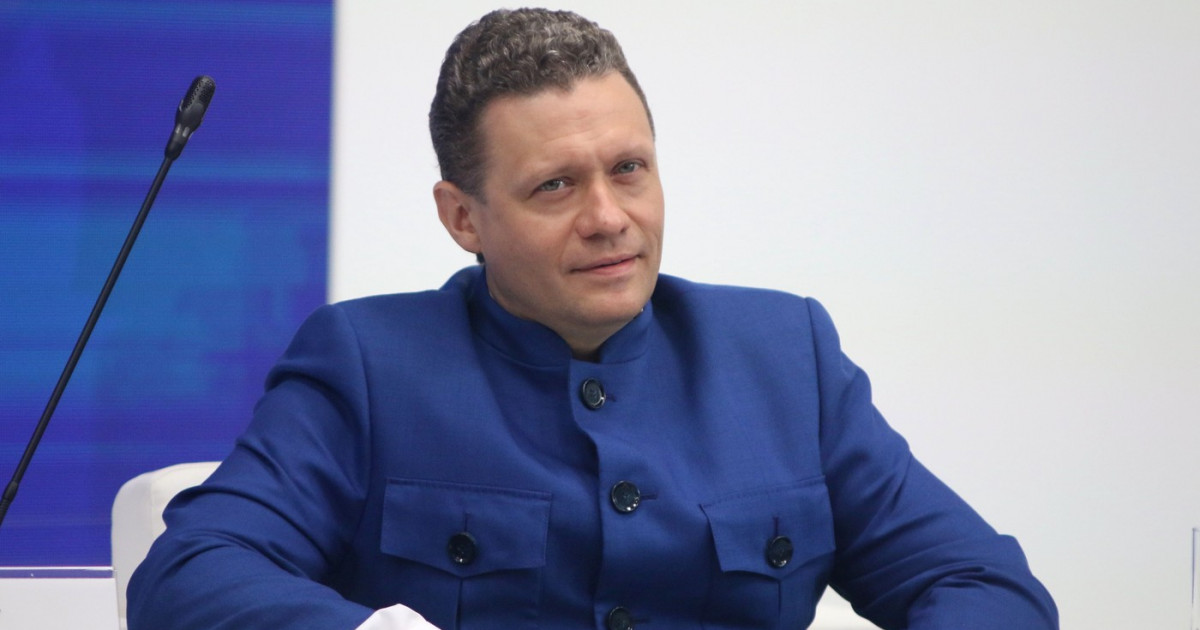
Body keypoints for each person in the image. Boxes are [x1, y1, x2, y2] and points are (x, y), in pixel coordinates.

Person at [128, 8, 1058, 629]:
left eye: (628, 169)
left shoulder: (786, 356)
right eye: (555, 186)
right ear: (463, 219)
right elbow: (191, 572)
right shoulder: (368, 364)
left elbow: (984, 586)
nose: (609, 217)